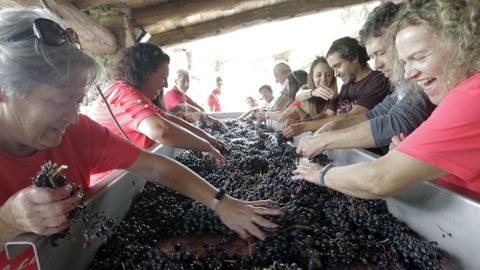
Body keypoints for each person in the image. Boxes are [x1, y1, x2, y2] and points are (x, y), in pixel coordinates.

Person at [0, 8, 282, 268]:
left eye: (78, 101)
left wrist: (221, 201)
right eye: (62, 101)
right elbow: (160, 131)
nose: (74, 117)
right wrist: (8, 220)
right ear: (4, 90)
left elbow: (154, 166)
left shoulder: (78, 132)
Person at [293, 0, 480, 198]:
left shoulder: (470, 98)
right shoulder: (457, 91)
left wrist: (320, 174)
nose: (408, 74)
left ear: (461, 42)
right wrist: (410, 157)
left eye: (419, 57)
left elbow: (379, 180)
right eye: (404, 61)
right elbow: (378, 113)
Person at [293, 1, 434, 155]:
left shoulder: (421, 81)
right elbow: (374, 114)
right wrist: (334, 127)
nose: (377, 64)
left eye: (381, 53)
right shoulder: (404, 86)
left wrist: (324, 140)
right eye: (373, 56)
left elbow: (398, 121)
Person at [89, 44, 225, 165]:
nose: (165, 84)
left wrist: (209, 140)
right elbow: (161, 130)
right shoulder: (124, 94)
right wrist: (205, 147)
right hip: (113, 182)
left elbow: (169, 120)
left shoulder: (129, 93)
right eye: (163, 78)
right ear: (146, 74)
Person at [283, 37, 390, 138]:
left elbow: (351, 116)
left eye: (338, 66)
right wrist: (301, 122)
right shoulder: (346, 85)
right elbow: (327, 114)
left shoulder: (377, 80)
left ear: (354, 58)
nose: (335, 74)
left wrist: (304, 126)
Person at [279, 57, 338, 122]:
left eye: (328, 75)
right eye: (318, 75)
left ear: (333, 77)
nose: (323, 79)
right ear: (312, 76)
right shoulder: (306, 88)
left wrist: (301, 114)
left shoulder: (335, 97)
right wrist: (313, 92)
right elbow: (298, 96)